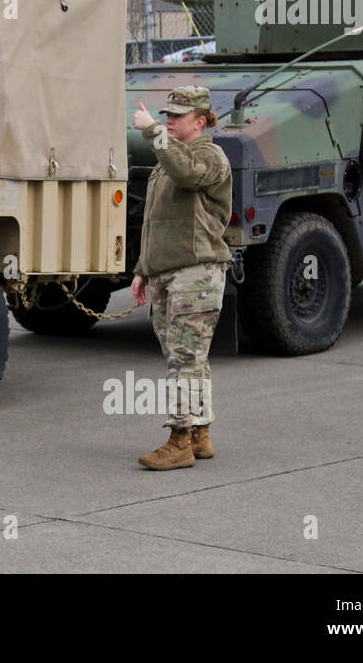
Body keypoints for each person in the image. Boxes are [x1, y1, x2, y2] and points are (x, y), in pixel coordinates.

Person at [129, 85, 232, 470]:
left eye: (177, 116)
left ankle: (179, 441)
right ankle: (199, 434)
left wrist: (152, 131)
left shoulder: (209, 156)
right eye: (166, 115)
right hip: (170, 273)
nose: (169, 120)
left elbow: (188, 174)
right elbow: (157, 223)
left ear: (201, 121)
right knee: (189, 358)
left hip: (197, 274)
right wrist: (143, 270)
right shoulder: (168, 158)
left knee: (184, 361)